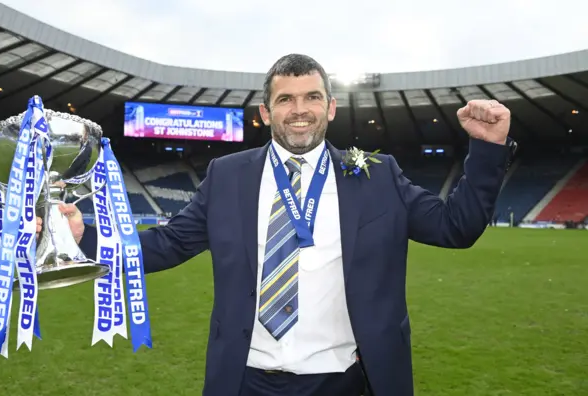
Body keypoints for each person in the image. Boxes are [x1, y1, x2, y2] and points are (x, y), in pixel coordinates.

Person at [39, 54, 513, 396]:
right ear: (267, 113)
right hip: (246, 379)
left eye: (311, 97)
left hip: (347, 380)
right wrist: (86, 236)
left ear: (330, 108)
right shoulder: (228, 176)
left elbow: (456, 227)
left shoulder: (376, 173)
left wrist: (488, 149)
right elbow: (167, 244)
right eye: (285, 99)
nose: (299, 109)